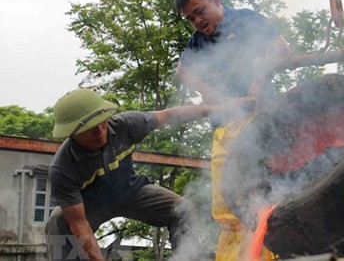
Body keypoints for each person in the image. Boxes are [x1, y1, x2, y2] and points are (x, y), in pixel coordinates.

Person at [45, 88, 249, 261]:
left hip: (130, 191)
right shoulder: (63, 168)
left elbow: (168, 115)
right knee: (58, 220)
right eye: (90, 128)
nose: (99, 131)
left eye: (102, 122)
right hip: (90, 205)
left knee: (183, 209)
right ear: (72, 133)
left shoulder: (125, 125)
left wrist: (221, 108)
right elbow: (79, 224)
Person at [174, 0, 289, 261]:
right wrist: (208, 92)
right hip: (223, 125)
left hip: (257, 121)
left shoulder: (246, 19)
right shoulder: (197, 40)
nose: (197, 20)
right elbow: (181, 71)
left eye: (200, 11)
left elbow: (282, 49)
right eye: (190, 18)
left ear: (215, 0)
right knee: (226, 202)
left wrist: (261, 80)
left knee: (257, 196)